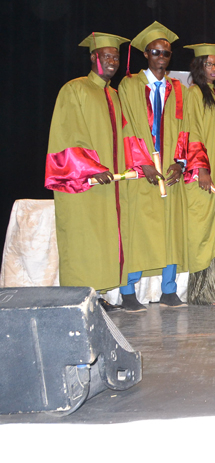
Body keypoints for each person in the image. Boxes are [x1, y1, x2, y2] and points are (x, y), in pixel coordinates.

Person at [45, 32, 129, 299]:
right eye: (107, 56)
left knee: (104, 240)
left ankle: (99, 298)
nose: (112, 61)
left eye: (116, 57)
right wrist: (91, 167)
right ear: (94, 57)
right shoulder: (75, 89)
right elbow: (68, 136)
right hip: (81, 182)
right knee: (83, 240)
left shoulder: (115, 96)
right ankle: (79, 298)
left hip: (109, 183)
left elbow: (127, 138)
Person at [118, 21, 188, 312]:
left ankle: (168, 290)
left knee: (170, 228)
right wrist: (142, 161)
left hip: (169, 168)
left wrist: (180, 161)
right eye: (156, 52)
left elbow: (185, 128)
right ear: (146, 55)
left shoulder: (177, 88)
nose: (161, 57)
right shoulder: (130, 84)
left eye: (166, 53)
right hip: (141, 168)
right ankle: (128, 291)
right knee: (137, 229)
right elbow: (126, 125)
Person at [182, 43, 215, 305]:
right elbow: (193, 133)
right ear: (198, 67)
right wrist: (201, 168)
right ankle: (200, 292)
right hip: (201, 176)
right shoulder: (193, 93)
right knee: (201, 231)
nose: (213, 69)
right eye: (208, 64)